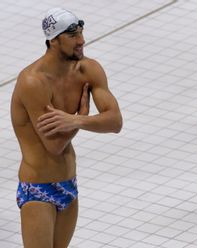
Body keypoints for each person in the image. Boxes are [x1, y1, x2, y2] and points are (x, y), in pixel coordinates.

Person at [11, 7, 123, 248]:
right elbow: (54, 144)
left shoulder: (88, 69)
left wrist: (76, 120)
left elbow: (115, 122)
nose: (81, 40)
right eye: (72, 35)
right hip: (37, 189)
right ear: (53, 40)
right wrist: (82, 114)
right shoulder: (33, 81)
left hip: (68, 185)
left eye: (81, 32)